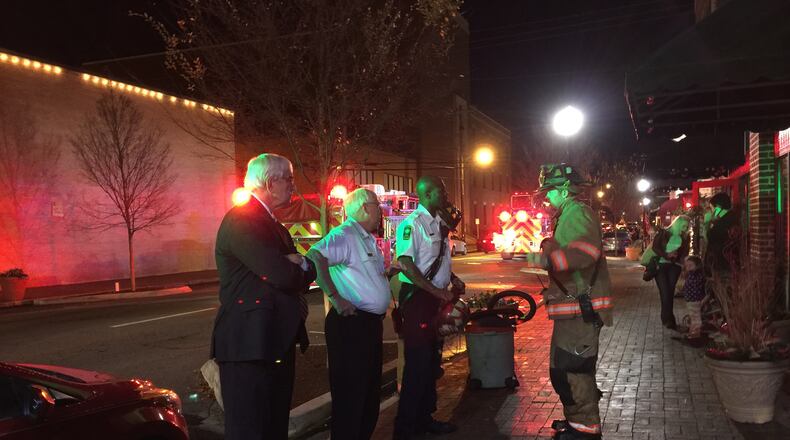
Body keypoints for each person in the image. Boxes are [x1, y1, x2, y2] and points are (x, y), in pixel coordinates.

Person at [211, 153, 316, 440]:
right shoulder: (243, 220)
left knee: (272, 426)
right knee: (252, 429)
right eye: (289, 179)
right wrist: (297, 265)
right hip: (249, 345)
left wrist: (301, 265)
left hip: (269, 342)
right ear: (271, 182)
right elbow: (283, 275)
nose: (293, 186)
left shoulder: (273, 225)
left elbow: (297, 276)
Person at [525, 164, 613, 440]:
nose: (546, 198)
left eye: (549, 192)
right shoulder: (568, 215)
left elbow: (584, 253)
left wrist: (547, 258)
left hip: (581, 312)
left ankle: (586, 430)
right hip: (573, 312)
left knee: (574, 370)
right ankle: (576, 421)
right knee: (564, 369)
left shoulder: (577, 214)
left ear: (563, 189)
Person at [306, 188, 390, 440]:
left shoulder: (365, 237)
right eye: (377, 206)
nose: (381, 212)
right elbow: (315, 255)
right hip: (351, 326)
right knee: (351, 396)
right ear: (364, 208)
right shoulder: (345, 234)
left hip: (368, 326)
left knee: (368, 394)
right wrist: (336, 297)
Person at [393, 176, 461, 440]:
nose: (446, 195)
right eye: (442, 191)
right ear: (429, 194)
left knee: (432, 363)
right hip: (419, 301)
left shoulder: (440, 223)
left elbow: (438, 261)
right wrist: (435, 291)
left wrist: (453, 281)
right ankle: (405, 429)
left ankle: (425, 419)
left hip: (435, 300)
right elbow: (407, 264)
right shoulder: (413, 225)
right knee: (417, 365)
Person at [651, 215, 691, 329]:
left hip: (675, 266)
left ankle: (669, 319)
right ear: (678, 223)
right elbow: (655, 247)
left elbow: (685, 252)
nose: (685, 228)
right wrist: (666, 255)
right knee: (664, 293)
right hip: (661, 265)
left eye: (687, 227)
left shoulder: (685, 236)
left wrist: (678, 257)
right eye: (683, 226)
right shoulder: (663, 233)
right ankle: (667, 318)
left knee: (670, 292)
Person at [704, 192, 740, 279]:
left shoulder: (724, 222)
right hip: (722, 262)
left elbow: (710, 237)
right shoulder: (730, 218)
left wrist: (708, 223)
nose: (711, 211)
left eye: (712, 208)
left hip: (721, 263)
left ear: (718, 207)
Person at [680, 255, 706, 339]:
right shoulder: (691, 275)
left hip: (695, 299)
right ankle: (692, 332)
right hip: (690, 299)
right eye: (687, 266)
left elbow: (697, 286)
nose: (688, 268)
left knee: (696, 317)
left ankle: (696, 333)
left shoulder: (697, 275)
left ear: (697, 266)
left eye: (691, 265)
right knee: (693, 316)